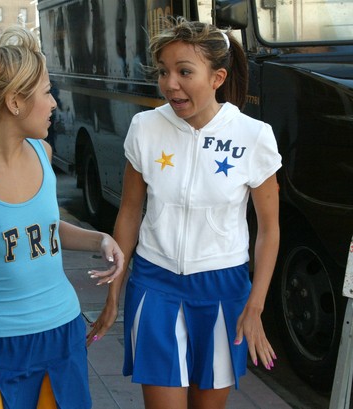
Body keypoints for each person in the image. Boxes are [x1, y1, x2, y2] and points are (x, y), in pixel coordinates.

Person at [0, 26, 124, 408]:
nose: (54, 104)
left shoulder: (43, 154)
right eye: (47, 92)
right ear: (15, 101)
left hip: (65, 335)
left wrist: (99, 239)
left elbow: (44, 229)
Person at [88, 17, 282, 409]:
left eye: (184, 71)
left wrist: (255, 306)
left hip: (224, 290)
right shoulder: (145, 127)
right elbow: (129, 213)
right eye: (164, 72)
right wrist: (114, 293)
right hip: (155, 283)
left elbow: (269, 231)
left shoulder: (253, 136)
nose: (169, 83)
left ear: (217, 77)